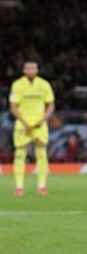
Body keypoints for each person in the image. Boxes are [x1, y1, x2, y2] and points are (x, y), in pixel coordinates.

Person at [9, 61, 55, 197]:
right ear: (23, 70)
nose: (31, 70)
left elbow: (51, 104)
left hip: (39, 123)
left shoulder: (44, 84)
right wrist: (24, 122)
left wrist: (43, 119)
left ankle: (41, 186)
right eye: (28, 68)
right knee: (19, 155)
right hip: (22, 123)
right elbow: (13, 106)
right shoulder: (17, 84)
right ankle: (19, 187)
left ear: (37, 70)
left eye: (33, 68)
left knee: (41, 154)